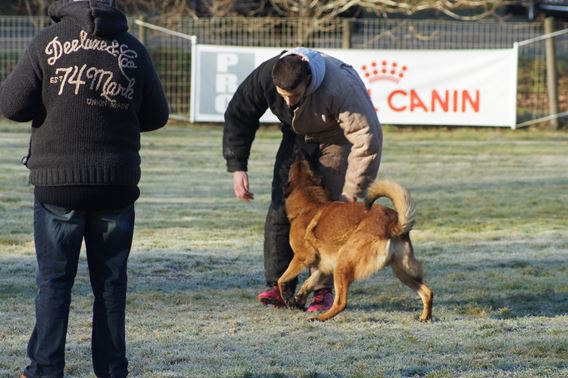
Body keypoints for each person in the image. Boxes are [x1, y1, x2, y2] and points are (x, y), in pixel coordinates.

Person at [0, 0, 169, 377]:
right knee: (110, 286)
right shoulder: (133, 47)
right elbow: (157, 115)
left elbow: (11, 105)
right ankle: (111, 370)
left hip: (58, 184)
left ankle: (45, 369)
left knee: (55, 284)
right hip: (115, 184)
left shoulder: (47, 41)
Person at [223, 47, 382, 312]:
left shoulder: (340, 86)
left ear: (308, 81)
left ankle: (322, 292)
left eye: (294, 96)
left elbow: (367, 141)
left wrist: (352, 192)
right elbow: (239, 114)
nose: (287, 102)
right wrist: (237, 166)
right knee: (280, 209)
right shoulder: (266, 75)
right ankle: (280, 285)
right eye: (282, 96)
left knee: (328, 213)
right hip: (296, 138)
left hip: (336, 139)